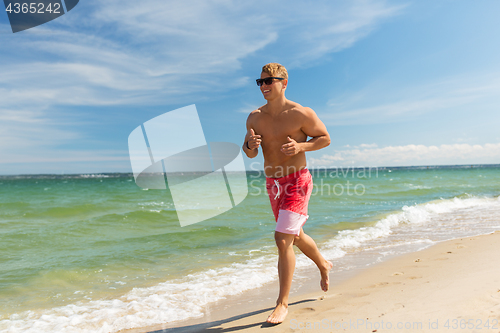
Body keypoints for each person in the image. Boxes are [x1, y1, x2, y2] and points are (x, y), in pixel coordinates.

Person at [243, 63, 333, 324]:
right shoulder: (254, 117)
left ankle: (282, 303)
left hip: (297, 181)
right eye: (260, 82)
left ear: (284, 82)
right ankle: (323, 264)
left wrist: (301, 146)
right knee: (295, 237)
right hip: (273, 184)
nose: (264, 86)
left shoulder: (300, 113)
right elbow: (249, 151)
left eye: (269, 81)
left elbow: (325, 138)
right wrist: (249, 145)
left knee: (282, 239)